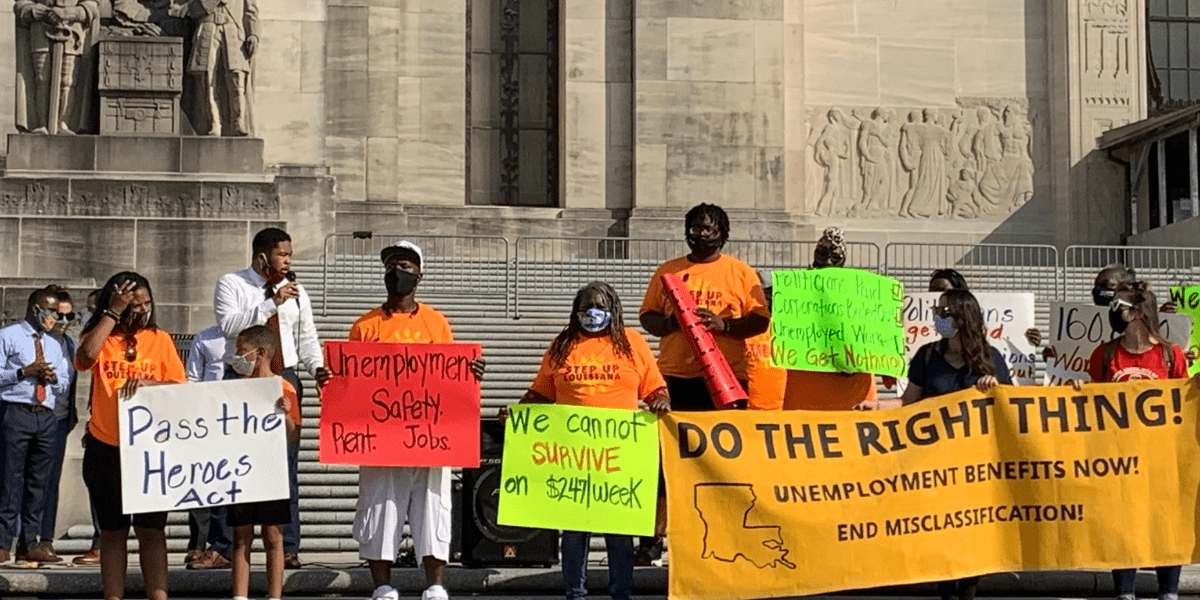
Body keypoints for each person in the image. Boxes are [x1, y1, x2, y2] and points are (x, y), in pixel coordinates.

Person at [315, 241, 485, 600]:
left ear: (419, 274)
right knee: (379, 510)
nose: (397, 273)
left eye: (405, 266)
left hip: (430, 437)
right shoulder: (365, 325)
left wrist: (470, 373)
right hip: (381, 438)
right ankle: (382, 586)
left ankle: (435, 584)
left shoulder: (436, 322)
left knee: (433, 510)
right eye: (392, 266)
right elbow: (351, 382)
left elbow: (449, 379)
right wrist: (331, 382)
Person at [506, 282, 670, 600]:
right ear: (575, 312)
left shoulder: (632, 344)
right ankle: (575, 594)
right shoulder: (562, 346)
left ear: (613, 309)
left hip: (619, 456)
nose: (592, 313)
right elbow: (539, 393)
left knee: (619, 534)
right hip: (572, 458)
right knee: (574, 534)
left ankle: (621, 593)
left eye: (598, 306)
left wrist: (661, 400)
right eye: (585, 307)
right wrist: (519, 413)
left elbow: (655, 389)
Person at [199, 227, 320, 570]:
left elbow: (306, 336)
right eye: (283, 255)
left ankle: (289, 545)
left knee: (286, 460)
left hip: (284, 376)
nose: (287, 262)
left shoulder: (297, 292)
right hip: (242, 375)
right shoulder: (232, 284)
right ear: (262, 256)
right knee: (232, 461)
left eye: (290, 255)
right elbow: (227, 326)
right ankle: (223, 544)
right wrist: (270, 303)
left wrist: (318, 368)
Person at [1068, 280, 1188, 600]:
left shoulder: (1169, 355)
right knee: (1122, 522)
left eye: (1118, 306)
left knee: (1165, 522)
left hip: (1160, 457)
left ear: (1136, 313)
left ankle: (1169, 591)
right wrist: (1082, 394)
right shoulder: (1105, 353)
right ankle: (1124, 591)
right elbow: (1094, 399)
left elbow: (1185, 403)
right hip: (1118, 457)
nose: (1112, 311)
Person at [75, 272, 185, 600]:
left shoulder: (160, 339)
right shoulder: (100, 335)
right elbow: (84, 359)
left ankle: (158, 595)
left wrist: (151, 384)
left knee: (152, 531)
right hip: (107, 447)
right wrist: (111, 313)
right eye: (134, 305)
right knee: (112, 532)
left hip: (150, 451)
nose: (142, 310)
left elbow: (181, 389)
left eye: (147, 304)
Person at [901, 289, 1010, 600]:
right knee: (942, 535)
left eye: (944, 312)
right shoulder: (926, 355)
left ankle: (967, 594)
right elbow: (909, 401)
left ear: (962, 319)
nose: (938, 317)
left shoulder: (991, 359)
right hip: (934, 463)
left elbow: (1009, 407)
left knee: (970, 537)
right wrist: (875, 409)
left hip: (976, 466)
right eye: (938, 311)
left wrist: (993, 388)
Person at [638, 203, 769, 411]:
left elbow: (760, 321)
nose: (702, 234)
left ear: (722, 234)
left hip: (727, 376)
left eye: (709, 229)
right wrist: (671, 323)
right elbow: (647, 316)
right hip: (676, 376)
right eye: (696, 228)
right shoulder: (668, 271)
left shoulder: (741, 272)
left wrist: (723, 325)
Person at [0, 286, 73, 564]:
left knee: (38, 482)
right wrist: (24, 371)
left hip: (45, 416)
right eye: (52, 311)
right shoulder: (8, 336)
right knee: (10, 478)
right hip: (15, 411)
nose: (55, 317)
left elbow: (65, 381)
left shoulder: (54, 345)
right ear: (36, 309)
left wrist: (52, 378)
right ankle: (3, 541)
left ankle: (30, 542)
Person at [228, 325, 298, 600]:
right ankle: (240, 595)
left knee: (273, 536)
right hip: (240, 469)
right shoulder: (234, 387)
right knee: (241, 536)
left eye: (241, 352)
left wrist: (287, 414)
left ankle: (275, 595)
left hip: (271, 468)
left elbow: (293, 436)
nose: (237, 357)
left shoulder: (284, 387)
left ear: (261, 353)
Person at [783, 228, 878, 411]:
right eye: (822, 254)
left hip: (853, 397)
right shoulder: (793, 290)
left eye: (834, 257)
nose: (827, 261)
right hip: (805, 396)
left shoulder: (860, 293)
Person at [38, 288, 81, 563]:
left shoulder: (71, 345)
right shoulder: (31, 340)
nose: (64, 321)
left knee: (50, 483)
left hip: (59, 421)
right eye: (58, 315)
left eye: (69, 316)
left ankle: (44, 540)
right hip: (30, 418)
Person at [182, 324, 227, 566]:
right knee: (201, 482)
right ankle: (197, 543)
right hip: (206, 418)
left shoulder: (251, 335)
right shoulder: (205, 336)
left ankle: (223, 545)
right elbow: (192, 377)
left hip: (237, 418)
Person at [183, 0, 259, 136]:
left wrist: (253, 34)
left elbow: (251, 11)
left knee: (236, 77)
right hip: (208, 27)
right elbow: (190, 9)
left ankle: (238, 121)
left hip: (233, 30)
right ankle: (214, 122)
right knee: (207, 78)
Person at [744, 271, 784, 411]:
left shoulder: (789, 330)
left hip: (782, 414)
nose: (764, 299)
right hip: (743, 412)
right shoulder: (742, 326)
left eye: (769, 293)